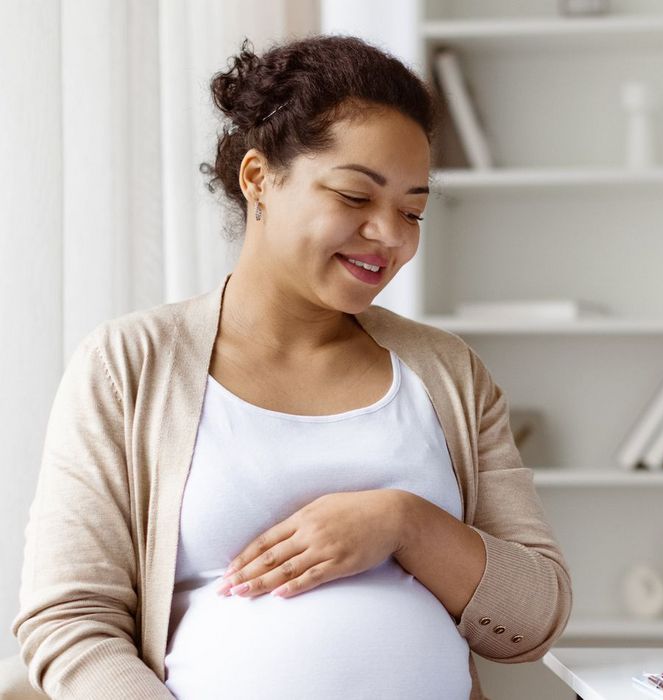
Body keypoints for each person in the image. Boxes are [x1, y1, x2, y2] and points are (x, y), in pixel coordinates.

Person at [11, 36, 571, 700]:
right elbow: (71, 622)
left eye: (412, 211)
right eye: (355, 196)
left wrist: (403, 523)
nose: (391, 236)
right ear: (258, 179)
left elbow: (536, 614)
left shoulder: (448, 372)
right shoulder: (128, 366)